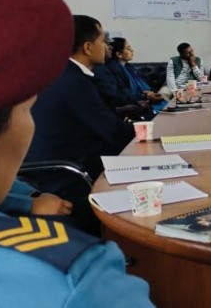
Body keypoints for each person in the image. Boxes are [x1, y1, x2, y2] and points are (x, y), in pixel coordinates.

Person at [0, 0, 153, 306]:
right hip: (68, 177)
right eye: (27, 109)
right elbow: (108, 132)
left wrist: (27, 198)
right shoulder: (73, 276)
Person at [24, 14, 135, 233]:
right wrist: (158, 131)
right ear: (87, 47)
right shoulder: (74, 82)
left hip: (47, 169)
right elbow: (114, 134)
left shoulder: (60, 74)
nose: (107, 47)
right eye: (103, 41)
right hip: (66, 177)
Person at [92, 34, 151, 120]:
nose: (110, 47)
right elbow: (117, 94)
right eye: (106, 44)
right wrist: (143, 99)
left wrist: (148, 95)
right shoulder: (110, 67)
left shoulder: (127, 66)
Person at [107, 38, 167, 114]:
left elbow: (142, 85)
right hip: (135, 104)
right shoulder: (114, 68)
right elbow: (124, 94)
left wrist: (152, 93)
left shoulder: (128, 67)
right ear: (119, 54)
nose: (132, 50)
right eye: (128, 48)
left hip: (143, 100)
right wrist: (146, 96)